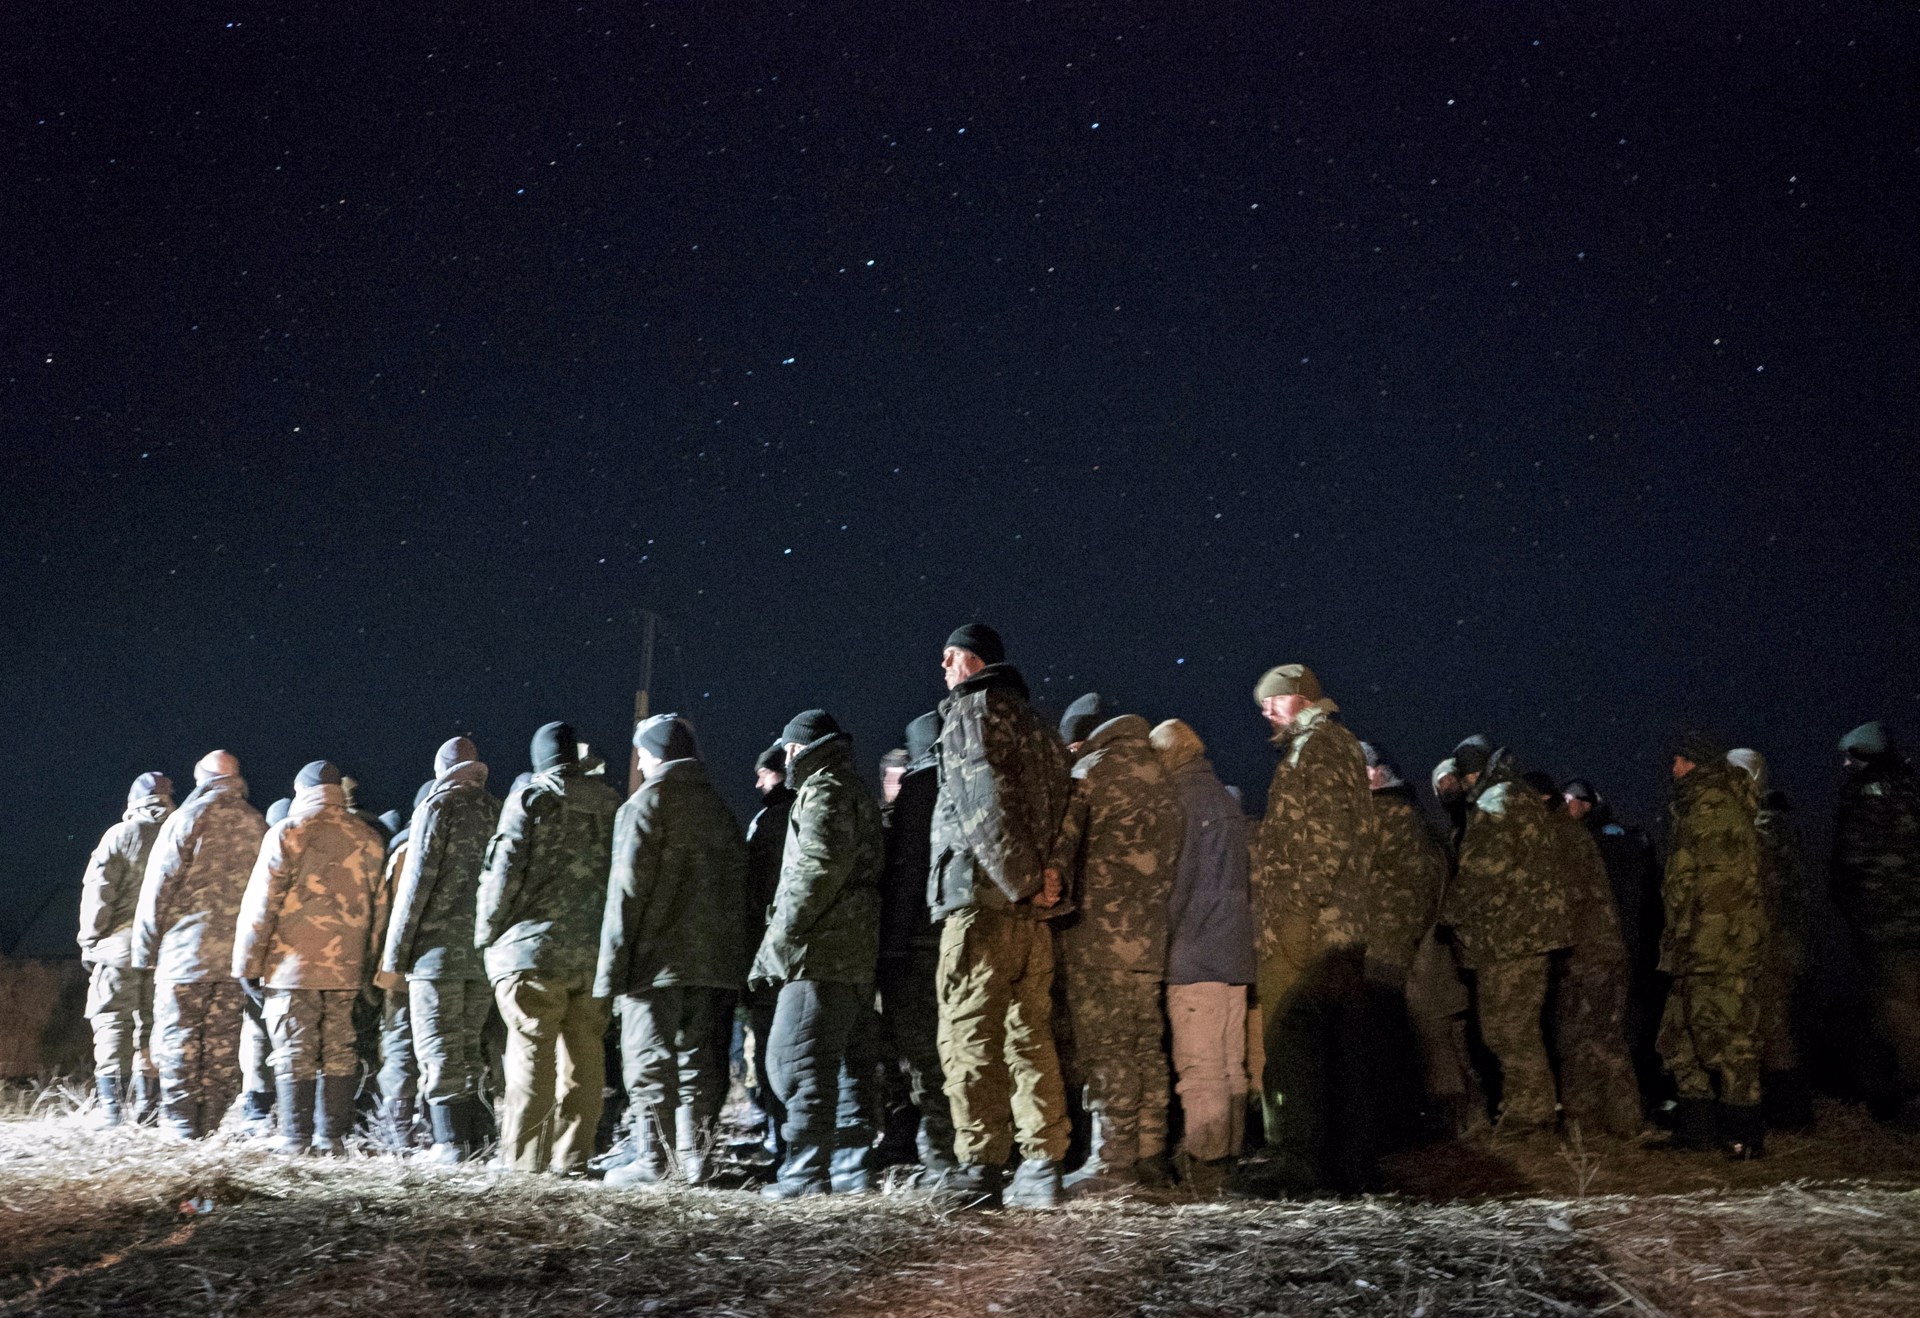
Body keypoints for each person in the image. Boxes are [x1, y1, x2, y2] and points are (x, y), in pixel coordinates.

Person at [909, 623, 1072, 1210]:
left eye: (949, 657)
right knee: (1029, 1035)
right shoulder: (1041, 727)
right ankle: (1042, 1166)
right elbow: (1066, 808)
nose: (943, 669)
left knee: (968, 1029)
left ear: (971, 660)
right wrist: (1050, 876)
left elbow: (984, 804)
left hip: (982, 901)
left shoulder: (971, 711)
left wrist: (1022, 880)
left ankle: (980, 1169)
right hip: (1032, 912)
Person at [597, 715, 749, 1188]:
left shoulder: (646, 803)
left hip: (656, 963)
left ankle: (654, 1162)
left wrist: (611, 973)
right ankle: (695, 1161)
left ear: (656, 754)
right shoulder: (720, 808)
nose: (640, 764)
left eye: (642, 754)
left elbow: (626, 894)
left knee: (650, 1062)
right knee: (701, 1064)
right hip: (716, 964)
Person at [1246, 664, 1377, 1195]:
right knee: (1337, 1048)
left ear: (1299, 698)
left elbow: (1326, 835)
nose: (1266, 712)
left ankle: (1296, 1162)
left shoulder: (1318, 747)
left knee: (1291, 1041)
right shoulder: (1334, 746)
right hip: (1336, 926)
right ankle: (1347, 1166)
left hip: (1312, 926)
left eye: (1272, 701)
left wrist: (1297, 913)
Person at [1048, 694, 1184, 1196]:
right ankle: (1151, 1154)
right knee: (1145, 1045)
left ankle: (1113, 1160)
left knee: (1106, 1049)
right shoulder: (1163, 778)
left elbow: (1060, 853)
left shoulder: (1090, 772)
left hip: (1097, 939)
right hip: (1150, 941)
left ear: (1082, 739)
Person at [748, 709, 883, 1199]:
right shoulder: (852, 786)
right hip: (851, 951)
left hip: (819, 951)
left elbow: (816, 869)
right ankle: (849, 1169)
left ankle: (805, 1173)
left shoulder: (824, 788)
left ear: (797, 748)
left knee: (795, 1059)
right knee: (844, 1063)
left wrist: (777, 940)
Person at [477, 721, 618, 1175]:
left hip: (532, 951)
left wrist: (486, 933)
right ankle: (573, 1156)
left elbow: (503, 872)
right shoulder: (612, 804)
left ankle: (525, 1161)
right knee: (586, 1052)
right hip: (594, 953)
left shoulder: (531, 798)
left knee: (530, 1051)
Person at [234, 760, 388, 1155]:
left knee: (293, 1051)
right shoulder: (369, 838)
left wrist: (247, 965)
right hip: (346, 968)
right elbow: (380, 910)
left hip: (291, 968)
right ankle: (331, 1138)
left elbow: (261, 905)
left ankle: (295, 1139)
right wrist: (371, 966)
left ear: (300, 791)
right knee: (340, 1050)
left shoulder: (287, 832)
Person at [133, 749, 266, 1139]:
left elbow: (158, 889)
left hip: (184, 956)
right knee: (222, 1043)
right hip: (236, 958)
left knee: (179, 1038)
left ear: (202, 779)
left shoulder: (187, 818)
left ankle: (181, 1124)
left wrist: (145, 950)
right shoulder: (257, 823)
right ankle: (210, 1124)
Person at [1440, 737, 1568, 1135]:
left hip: (1511, 936)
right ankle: (1526, 1111)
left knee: (1507, 1029)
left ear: (1471, 774)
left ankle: (1532, 1115)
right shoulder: (1519, 796)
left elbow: (1482, 872)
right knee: (1515, 1027)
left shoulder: (1495, 802)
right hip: (1526, 932)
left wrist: (1448, 914)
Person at [380, 737, 500, 1163]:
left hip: (436, 954)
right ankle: (480, 1139)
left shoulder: (437, 806)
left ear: (441, 769)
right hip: (482, 953)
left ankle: (449, 1144)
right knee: (469, 1047)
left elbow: (417, 884)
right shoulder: (497, 808)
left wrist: (395, 957)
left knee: (439, 1047)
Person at [1150, 719, 1254, 1194]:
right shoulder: (1224, 799)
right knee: (1232, 1064)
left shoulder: (1182, 801)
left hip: (1195, 955)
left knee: (1200, 1068)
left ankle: (1206, 1167)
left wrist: (1159, 940)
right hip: (1233, 955)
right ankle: (1229, 1157)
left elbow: (1177, 884)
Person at [1659, 732, 1767, 1157]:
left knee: (1727, 1035)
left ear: (1695, 762)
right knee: (1681, 1035)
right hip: (1693, 944)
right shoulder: (1695, 805)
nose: (1673, 769)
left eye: (1678, 760)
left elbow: (1719, 886)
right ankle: (1696, 1128)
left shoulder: (1713, 805)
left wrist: (1701, 942)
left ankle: (1743, 1134)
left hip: (1717, 946)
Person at [1524, 771, 1641, 1138]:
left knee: (1596, 1038)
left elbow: (1562, 898)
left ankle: (1616, 1123)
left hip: (1589, 953)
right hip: (1588, 952)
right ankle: (1592, 1124)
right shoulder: (1566, 833)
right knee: (1581, 1038)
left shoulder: (1561, 836)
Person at [1360, 744, 1453, 1147]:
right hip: (1403, 940)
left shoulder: (1385, 816)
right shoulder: (1412, 817)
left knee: (1385, 1034)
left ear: (1378, 774)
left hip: (1385, 941)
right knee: (1415, 1029)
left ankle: (1397, 1124)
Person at [1831, 721, 1920, 1127]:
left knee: (1899, 1011)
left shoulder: (1869, 796)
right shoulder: (1910, 787)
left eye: (1851, 758)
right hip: (1903, 920)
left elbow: (1852, 859)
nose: (1846, 765)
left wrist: (1848, 897)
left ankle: (1908, 1098)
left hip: (1886, 923)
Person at [877, 712, 955, 1173]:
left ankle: (942, 1154)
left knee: (924, 1054)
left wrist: (891, 947)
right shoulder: (963, 782)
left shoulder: (919, 793)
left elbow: (906, 873)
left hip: (915, 944)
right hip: (957, 936)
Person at [78, 771, 174, 1126]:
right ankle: (149, 1109)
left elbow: (99, 892)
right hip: (166, 951)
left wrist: (90, 940)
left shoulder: (121, 834)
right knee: (153, 1025)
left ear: (134, 801)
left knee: (112, 1021)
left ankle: (113, 1110)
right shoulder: (180, 832)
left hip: (119, 948)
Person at [1728, 749, 1813, 1130]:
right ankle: (1785, 1110)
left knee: (1772, 1024)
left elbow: (1766, 888)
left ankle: (1790, 1114)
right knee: (1768, 1023)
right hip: (1776, 939)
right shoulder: (1769, 822)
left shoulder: (1765, 826)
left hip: (1773, 942)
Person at [370, 782, 432, 1150]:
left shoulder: (405, 849)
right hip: (450, 966)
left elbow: (386, 913)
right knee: (446, 1046)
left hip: (404, 968)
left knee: (400, 1045)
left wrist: (378, 968)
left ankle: (397, 1131)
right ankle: (439, 1129)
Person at [743, 741, 796, 1155]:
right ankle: (782, 1138)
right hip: (789, 953)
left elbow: (754, 889)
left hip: (770, 955)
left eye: (765, 774)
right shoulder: (799, 812)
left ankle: (781, 1141)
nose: (759, 783)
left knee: (772, 1051)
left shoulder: (773, 820)